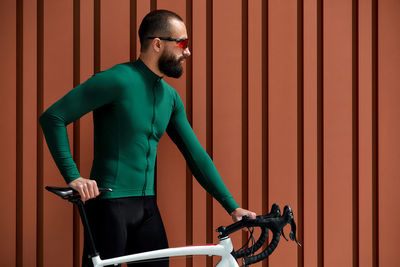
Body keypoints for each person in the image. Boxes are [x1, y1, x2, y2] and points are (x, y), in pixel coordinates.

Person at [39, 9, 256, 267]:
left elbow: (196, 155)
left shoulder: (170, 98)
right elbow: (53, 117)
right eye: (183, 43)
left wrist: (232, 207)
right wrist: (73, 177)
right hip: (109, 207)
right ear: (157, 44)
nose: (187, 52)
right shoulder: (117, 80)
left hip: (147, 209)